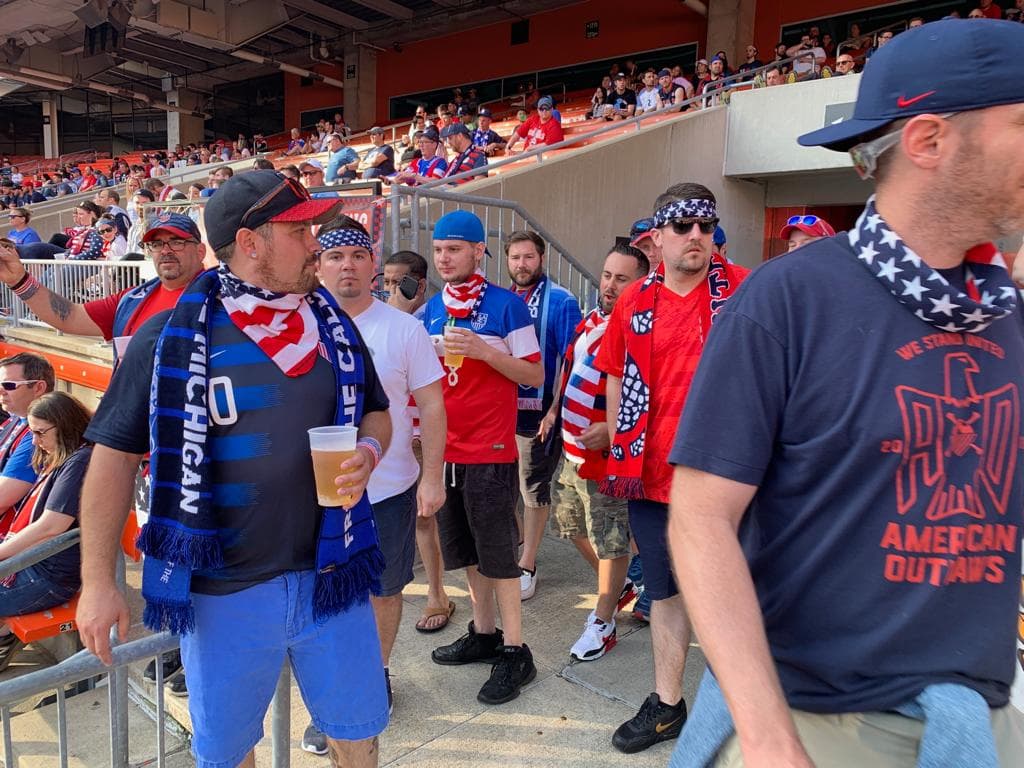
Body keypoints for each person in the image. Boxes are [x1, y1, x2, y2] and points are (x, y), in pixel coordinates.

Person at [667, 19, 1024, 768]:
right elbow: (701, 520)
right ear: (928, 142)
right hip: (818, 725)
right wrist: (766, 739)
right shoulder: (788, 301)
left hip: (985, 718)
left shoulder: (1008, 307)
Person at [76, 170, 392, 768]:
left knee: (359, 737)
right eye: (300, 231)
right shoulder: (169, 335)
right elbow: (112, 455)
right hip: (224, 589)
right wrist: (98, 582)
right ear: (251, 242)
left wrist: (369, 453)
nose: (316, 243)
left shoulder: (332, 324)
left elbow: (377, 414)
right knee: (227, 753)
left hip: (335, 571)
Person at [595, 183, 749, 754]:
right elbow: (613, 371)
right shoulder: (634, 299)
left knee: (739, 592)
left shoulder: (744, 290)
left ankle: (744, 703)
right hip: (653, 476)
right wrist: (619, 441)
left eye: (706, 226)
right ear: (656, 237)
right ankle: (667, 705)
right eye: (682, 227)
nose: (696, 236)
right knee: (665, 593)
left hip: (729, 477)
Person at [317, 215, 447, 726]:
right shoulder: (303, 326)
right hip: (319, 494)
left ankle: (376, 675)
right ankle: (332, 686)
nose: (346, 266)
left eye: (356, 256)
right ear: (319, 265)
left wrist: (432, 476)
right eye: (334, 256)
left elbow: (432, 406)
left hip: (389, 489)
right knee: (324, 593)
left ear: (373, 265)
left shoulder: (404, 329)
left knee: (384, 590)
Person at [423, 210, 543, 705]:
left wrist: (483, 351)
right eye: (438, 249)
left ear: (478, 252)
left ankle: (517, 651)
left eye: (454, 248)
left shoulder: (507, 306)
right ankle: (484, 631)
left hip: (491, 450)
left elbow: (534, 377)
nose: (444, 257)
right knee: (468, 554)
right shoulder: (431, 307)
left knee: (498, 557)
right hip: (446, 451)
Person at [547, 243, 649, 661]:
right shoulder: (591, 319)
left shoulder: (641, 328)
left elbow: (651, 392)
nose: (609, 285)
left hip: (607, 459)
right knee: (570, 526)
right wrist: (554, 410)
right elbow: (568, 369)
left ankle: (603, 619)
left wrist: (612, 428)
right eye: (607, 275)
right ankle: (619, 585)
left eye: (621, 278)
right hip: (571, 449)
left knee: (611, 541)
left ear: (639, 282)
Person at [504, 231, 582, 599]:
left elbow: (570, 360)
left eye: (528, 257)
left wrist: (554, 411)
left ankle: (528, 563)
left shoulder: (563, 302)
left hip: (538, 414)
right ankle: (520, 542)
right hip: (500, 413)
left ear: (541, 258)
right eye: (515, 257)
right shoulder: (501, 300)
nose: (522, 264)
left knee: (532, 486)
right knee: (504, 487)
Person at [0, 392, 92, 672]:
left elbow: (52, 526)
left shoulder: (79, 460)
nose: (36, 441)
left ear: (65, 425)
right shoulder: (61, 455)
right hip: (36, 564)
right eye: (32, 432)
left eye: (41, 433)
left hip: (49, 576)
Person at [0, 354, 55, 535]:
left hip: (12, 548)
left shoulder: (40, 436)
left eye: (9, 386)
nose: (1, 391)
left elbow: (2, 499)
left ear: (38, 387)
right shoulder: (15, 420)